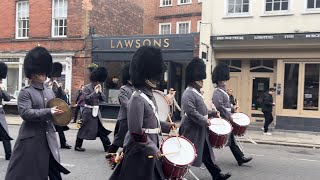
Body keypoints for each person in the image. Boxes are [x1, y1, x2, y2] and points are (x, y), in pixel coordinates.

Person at [110, 46, 174, 180]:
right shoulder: (137, 98)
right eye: (153, 76)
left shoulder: (149, 96)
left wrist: (167, 126)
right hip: (138, 151)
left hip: (149, 146)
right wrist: (151, 147)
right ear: (145, 75)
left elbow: (152, 122)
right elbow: (136, 131)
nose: (157, 79)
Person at [5, 46, 70, 180]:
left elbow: (55, 109)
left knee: (54, 172)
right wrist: (49, 111)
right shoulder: (25, 92)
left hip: (49, 138)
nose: (42, 75)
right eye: (39, 72)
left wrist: (60, 113)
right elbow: (25, 113)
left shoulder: (49, 91)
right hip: (31, 140)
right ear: (32, 72)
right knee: (27, 173)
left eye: (44, 72)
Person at [179, 57, 231, 180]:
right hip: (191, 129)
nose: (202, 81)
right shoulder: (188, 93)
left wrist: (212, 113)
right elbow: (191, 112)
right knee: (187, 153)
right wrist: (204, 120)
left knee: (206, 153)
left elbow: (201, 110)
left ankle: (217, 175)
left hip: (200, 128)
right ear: (194, 79)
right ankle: (175, 173)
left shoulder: (196, 92)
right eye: (200, 79)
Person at [212, 63, 253, 166]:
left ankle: (240, 158)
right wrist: (229, 113)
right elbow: (219, 106)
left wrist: (232, 108)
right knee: (216, 141)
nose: (225, 82)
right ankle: (240, 158)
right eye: (223, 80)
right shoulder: (218, 92)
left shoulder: (222, 91)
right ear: (219, 80)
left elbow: (225, 105)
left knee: (231, 140)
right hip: (223, 119)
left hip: (226, 118)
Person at [74, 66, 112, 152]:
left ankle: (107, 146)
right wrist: (95, 92)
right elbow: (86, 99)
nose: (98, 82)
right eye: (98, 81)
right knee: (83, 128)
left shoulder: (98, 87)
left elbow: (103, 99)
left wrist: (100, 92)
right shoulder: (87, 88)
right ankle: (77, 145)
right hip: (88, 112)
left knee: (101, 129)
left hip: (96, 111)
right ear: (95, 79)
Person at [106, 64, 135, 160]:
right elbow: (125, 103)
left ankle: (126, 154)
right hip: (125, 117)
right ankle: (110, 153)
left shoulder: (135, 89)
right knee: (120, 137)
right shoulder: (123, 89)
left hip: (132, 117)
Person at [47, 62, 72, 149]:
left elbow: (61, 95)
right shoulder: (47, 84)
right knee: (48, 127)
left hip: (56, 108)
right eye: (55, 76)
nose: (56, 78)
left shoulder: (57, 85)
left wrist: (59, 87)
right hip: (48, 108)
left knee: (60, 127)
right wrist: (49, 87)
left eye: (57, 76)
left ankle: (63, 143)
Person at [0, 62, 12, 161]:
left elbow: (8, 98)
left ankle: (9, 155)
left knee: (5, 135)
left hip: (0, 114)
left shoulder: (0, 89)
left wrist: (2, 90)